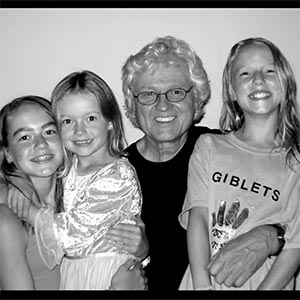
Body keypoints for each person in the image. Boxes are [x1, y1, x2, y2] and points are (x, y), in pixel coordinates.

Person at [122, 35, 288, 290]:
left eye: (176, 92)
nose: (163, 105)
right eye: (148, 94)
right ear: (133, 106)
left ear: (196, 99)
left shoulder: (224, 150)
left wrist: (271, 236)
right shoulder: (116, 172)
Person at [7, 71, 149, 290]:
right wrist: (18, 182)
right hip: (76, 273)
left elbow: (72, 237)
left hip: (105, 273)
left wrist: (31, 212)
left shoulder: (117, 175)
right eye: (68, 121)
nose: (80, 130)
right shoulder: (68, 166)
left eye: (90, 118)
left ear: (110, 122)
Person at [179, 37, 300, 290]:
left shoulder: (296, 162)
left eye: (269, 70)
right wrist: (202, 287)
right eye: (245, 73)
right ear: (232, 90)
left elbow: (295, 247)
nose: (258, 79)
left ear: (286, 83)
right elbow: (197, 218)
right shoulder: (208, 146)